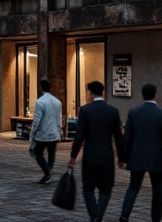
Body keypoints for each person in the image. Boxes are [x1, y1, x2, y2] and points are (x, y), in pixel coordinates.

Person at [117, 83, 162, 222]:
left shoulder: (133, 112)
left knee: (133, 187)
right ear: (155, 95)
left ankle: (124, 215)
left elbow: (126, 138)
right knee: (157, 190)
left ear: (142, 95)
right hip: (157, 157)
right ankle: (156, 219)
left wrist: (123, 158)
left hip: (137, 156)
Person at [68, 80, 125, 222]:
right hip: (107, 156)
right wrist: (122, 158)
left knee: (88, 188)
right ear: (103, 92)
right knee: (106, 189)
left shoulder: (85, 110)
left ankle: (95, 216)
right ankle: (98, 215)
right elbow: (118, 137)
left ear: (90, 93)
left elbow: (79, 135)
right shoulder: (113, 111)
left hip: (90, 156)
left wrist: (73, 156)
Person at [31, 78, 63, 184]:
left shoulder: (40, 102)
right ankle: (48, 170)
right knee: (51, 153)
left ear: (40, 87)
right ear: (51, 87)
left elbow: (37, 119)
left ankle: (47, 172)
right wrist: (60, 131)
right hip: (54, 132)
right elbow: (59, 118)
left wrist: (33, 131)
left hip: (43, 133)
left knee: (38, 152)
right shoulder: (57, 102)